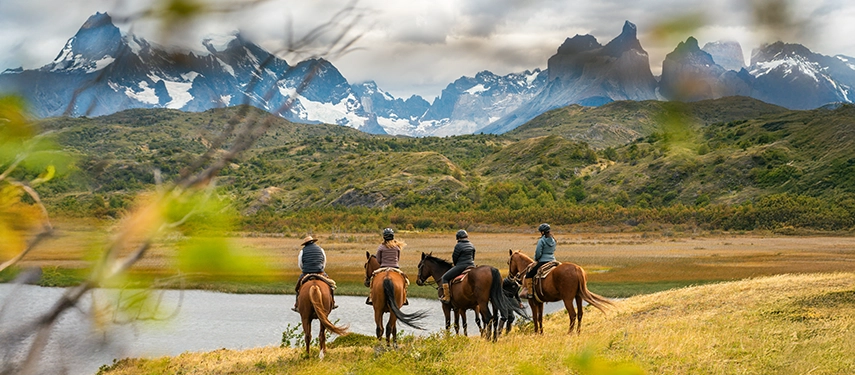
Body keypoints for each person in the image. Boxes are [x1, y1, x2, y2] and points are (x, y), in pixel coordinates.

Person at [292, 235, 337, 312]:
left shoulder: (302, 251)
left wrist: (304, 269)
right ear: (313, 242)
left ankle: (297, 305)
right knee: (331, 285)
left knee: (298, 287)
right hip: (319, 271)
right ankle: (332, 302)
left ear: (305, 243)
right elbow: (324, 262)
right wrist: (321, 269)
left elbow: (300, 264)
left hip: (306, 272)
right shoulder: (321, 249)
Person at [366, 228, 409, 305]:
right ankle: (404, 298)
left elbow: (378, 260)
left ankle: (371, 297)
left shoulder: (381, 247)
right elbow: (398, 259)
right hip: (395, 268)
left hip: (383, 267)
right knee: (405, 280)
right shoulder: (397, 247)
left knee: (372, 279)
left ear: (384, 237)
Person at [520, 223, 556, 299]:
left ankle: (530, 293)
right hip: (553, 260)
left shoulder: (541, 240)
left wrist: (536, 259)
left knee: (529, 274)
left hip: (543, 261)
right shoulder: (553, 240)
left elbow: (538, 252)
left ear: (542, 232)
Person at [439, 229, 476, 303]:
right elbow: (473, 256)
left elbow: (455, 258)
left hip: (461, 266)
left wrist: (456, 265)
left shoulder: (458, 246)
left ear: (458, 238)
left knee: (444, 278)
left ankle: (447, 297)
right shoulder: (472, 245)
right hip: (472, 266)